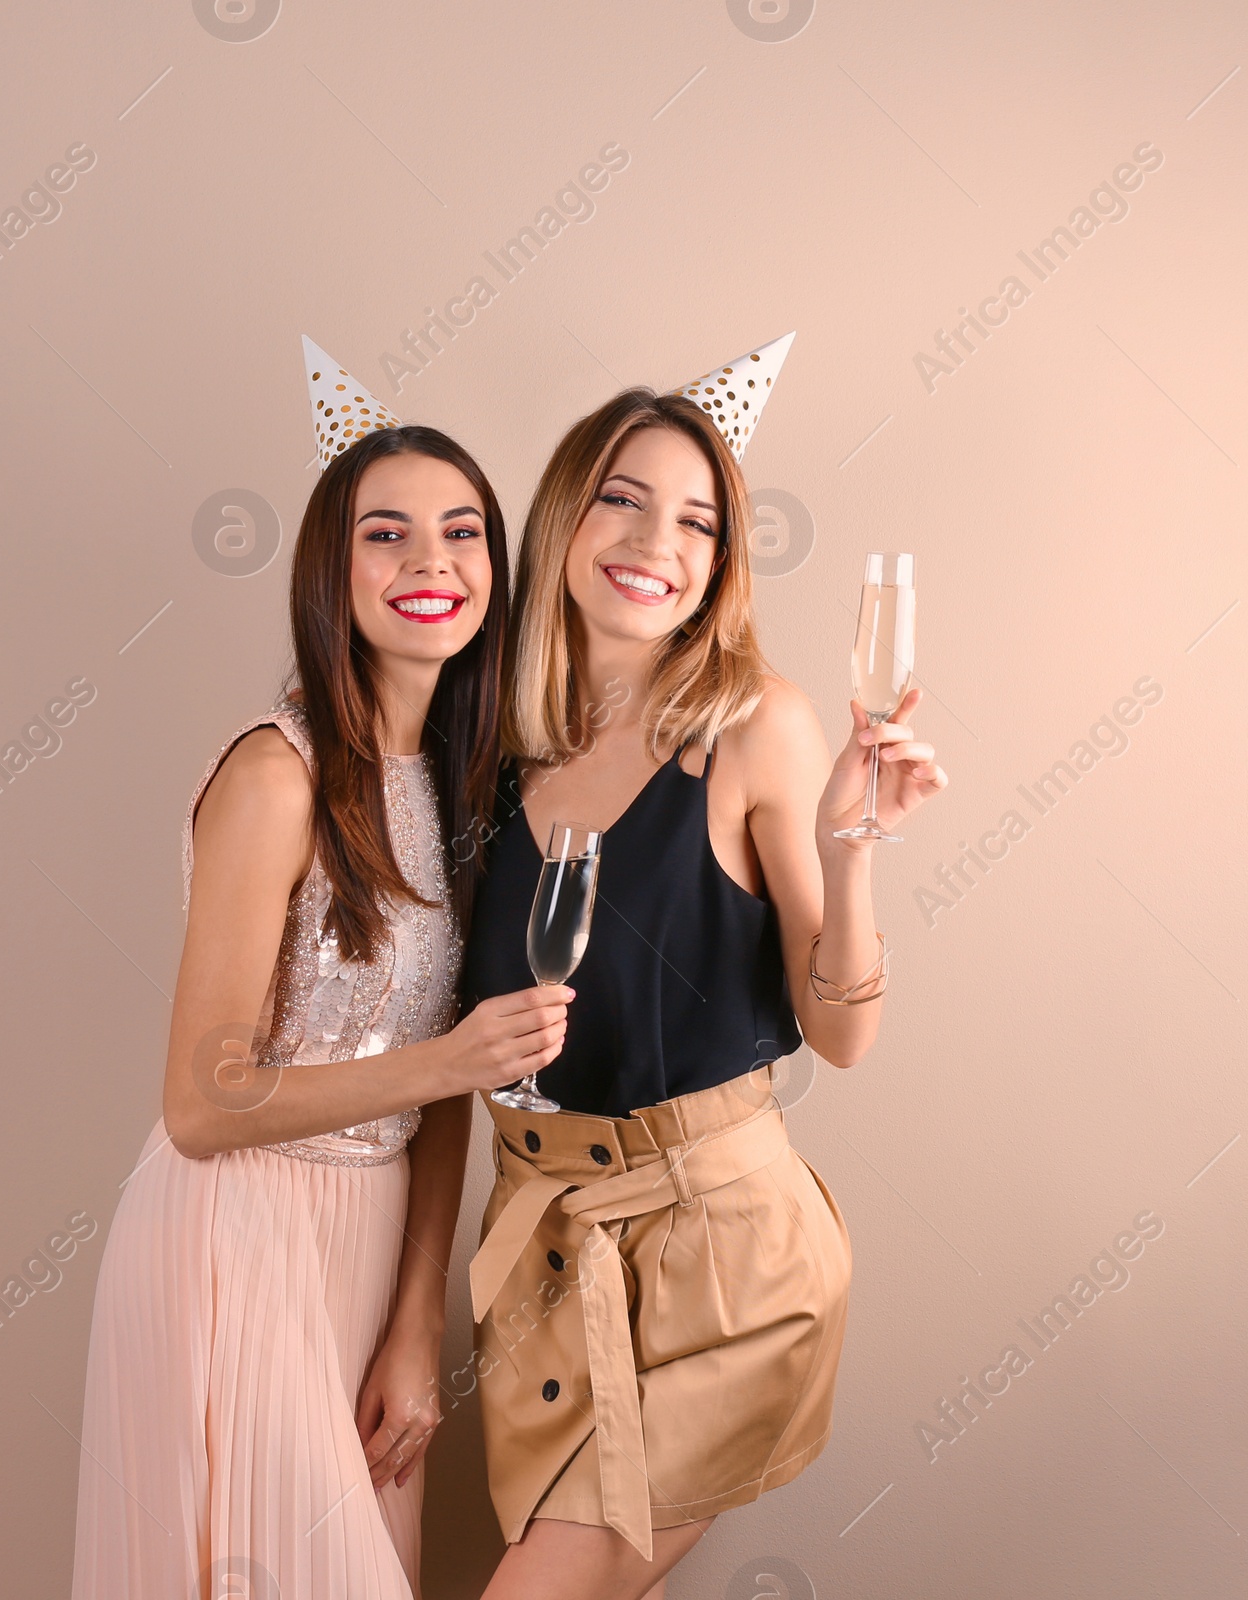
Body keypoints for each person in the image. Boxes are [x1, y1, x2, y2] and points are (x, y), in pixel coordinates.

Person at [70, 343, 572, 1600]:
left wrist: (416, 1322)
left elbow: (442, 1108)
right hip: (231, 1234)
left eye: (462, 534)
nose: (430, 564)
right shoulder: (274, 773)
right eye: (385, 536)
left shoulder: (468, 792)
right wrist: (451, 1058)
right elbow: (201, 1101)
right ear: (327, 573)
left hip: (364, 1253)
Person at [462, 339, 949, 1600]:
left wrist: (852, 851)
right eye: (623, 497)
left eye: (697, 521)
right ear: (567, 517)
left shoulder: (754, 725)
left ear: (721, 564)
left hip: (727, 1269)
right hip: (546, 1274)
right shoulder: (491, 753)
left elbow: (838, 1037)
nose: (654, 541)